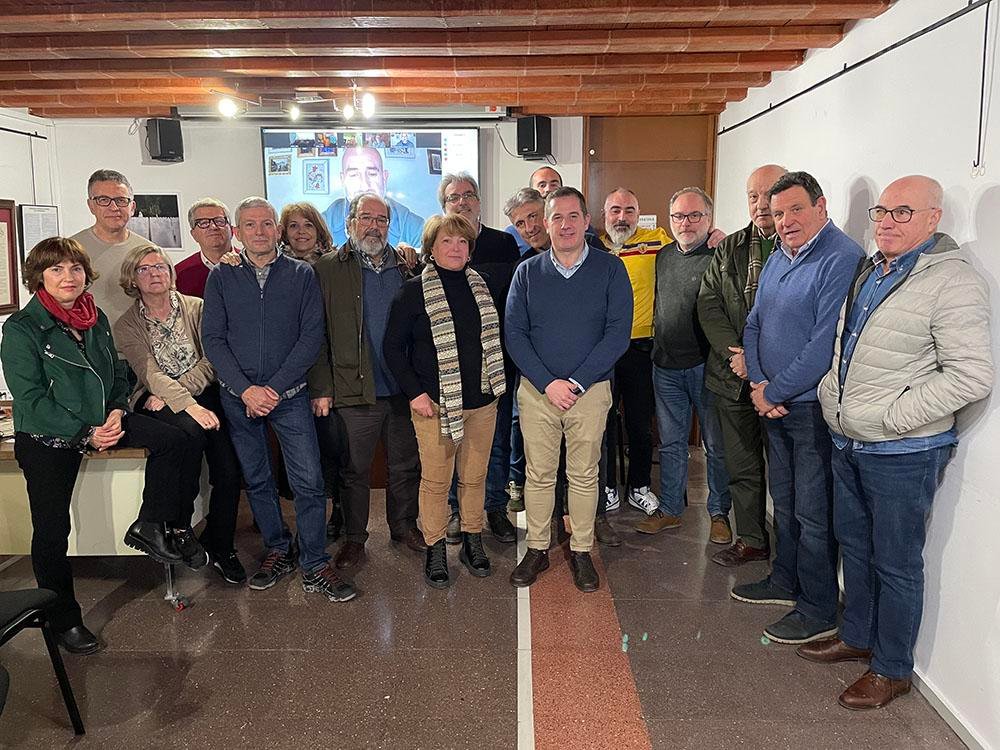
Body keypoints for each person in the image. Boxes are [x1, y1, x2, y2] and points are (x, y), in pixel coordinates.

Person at [803, 176, 993, 709]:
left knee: (896, 562)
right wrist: (832, 397)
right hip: (850, 439)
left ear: (935, 218)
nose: (886, 220)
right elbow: (848, 347)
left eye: (902, 212)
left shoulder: (953, 282)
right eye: (882, 210)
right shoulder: (874, 268)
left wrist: (890, 417)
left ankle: (892, 669)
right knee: (857, 547)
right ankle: (857, 635)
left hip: (902, 452)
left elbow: (971, 376)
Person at [1, 237, 207, 654]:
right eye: (56, 269)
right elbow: (31, 398)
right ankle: (63, 620)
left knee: (177, 438)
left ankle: (150, 524)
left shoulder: (92, 319)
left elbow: (116, 374)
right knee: (53, 531)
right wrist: (86, 433)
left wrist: (115, 410)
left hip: (104, 421)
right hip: (49, 437)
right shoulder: (21, 328)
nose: (68, 277)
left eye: (75, 268)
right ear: (38, 277)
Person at [202, 196, 356, 603]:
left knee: (308, 480)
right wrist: (246, 389)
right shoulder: (221, 277)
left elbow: (311, 337)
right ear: (238, 232)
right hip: (239, 398)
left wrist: (272, 389)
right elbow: (213, 340)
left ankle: (314, 562)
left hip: (288, 396)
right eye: (249, 225)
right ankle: (277, 548)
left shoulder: (301, 275)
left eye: (266, 224)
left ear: (277, 229)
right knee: (256, 478)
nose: (259, 231)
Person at [734, 171, 863, 644]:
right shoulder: (778, 256)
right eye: (779, 212)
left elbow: (823, 343)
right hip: (775, 402)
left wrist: (773, 391)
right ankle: (784, 580)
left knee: (813, 512)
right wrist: (762, 384)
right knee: (783, 502)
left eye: (795, 210)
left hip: (806, 410)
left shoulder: (840, 256)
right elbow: (754, 324)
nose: (785, 220)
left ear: (821, 207)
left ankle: (817, 607)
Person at [506, 187, 632, 593]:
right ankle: (538, 548)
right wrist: (548, 383)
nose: (565, 224)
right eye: (556, 217)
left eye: (573, 216)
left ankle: (581, 550)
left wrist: (576, 382)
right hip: (538, 391)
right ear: (545, 223)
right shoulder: (526, 272)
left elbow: (617, 334)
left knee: (583, 475)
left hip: (590, 391)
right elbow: (515, 334)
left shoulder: (610, 269)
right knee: (539, 475)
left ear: (585, 221)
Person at [384, 213, 506, 588]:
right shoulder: (413, 291)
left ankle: (472, 539)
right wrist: (415, 394)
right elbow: (392, 349)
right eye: (446, 242)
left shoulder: (482, 285)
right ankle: (436, 546)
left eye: (462, 242)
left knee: (474, 477)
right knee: (437, 482)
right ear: (432, 250)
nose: (455, 248)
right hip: (435, 405)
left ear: (470, 249)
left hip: (482, 403)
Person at [114, 244, 245, 584]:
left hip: (199, 395)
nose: (154, 273)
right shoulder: (126, 324)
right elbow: (150, 374)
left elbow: (213, 358)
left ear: (171, 273)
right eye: (144, 269)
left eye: (160, 266)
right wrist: (185, 405)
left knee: (228, 472)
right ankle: (180, 528)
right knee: (188, 435)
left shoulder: (197, 308)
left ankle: (221, 546)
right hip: (160, 400)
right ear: (132, 278)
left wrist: (181, 395)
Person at [309, 192, 424, 571]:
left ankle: (404, 527)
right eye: (366, 217)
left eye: (381, 219)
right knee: (354, 470)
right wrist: (322, 387)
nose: (373, 225)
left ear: (390, 225)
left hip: (402, 389)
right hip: (353, 387)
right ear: (350, 222)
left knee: (405, 466)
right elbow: (316, 333)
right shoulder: (326, 269)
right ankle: (356, 538)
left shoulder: (408, 267)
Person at [697, 165, 787, 565]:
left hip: (785, 385)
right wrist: (737, 354)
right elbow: (708, 303)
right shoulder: (730, 248)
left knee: (788, 476)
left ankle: (790, 553)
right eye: (752, 195)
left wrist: (761, 364)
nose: (760, 203)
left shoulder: (799, 249)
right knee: (742, 465)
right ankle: (752, 538)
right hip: (732, 376)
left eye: (768, 194)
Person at [635, 187, 732, 541]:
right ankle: (671, 509)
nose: (686, 223)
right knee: (672, 445)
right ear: (669, 219)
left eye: (695, 216)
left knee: (715, 445)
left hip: (708, 368)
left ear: (709, 218)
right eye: (678, 216)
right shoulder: (662, 256)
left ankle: (719, 514)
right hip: (666, 367)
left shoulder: (722, 254)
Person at [439, 173, 520, 545]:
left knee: (497, 441)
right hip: (451, 368)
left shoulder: (503, 244)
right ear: (444, 205)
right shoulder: (437, 243)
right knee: (455, 444)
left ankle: (494, 508)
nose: (462, 202)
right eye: (454, 196)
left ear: (479, 201)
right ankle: (456, 511)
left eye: (469, 195)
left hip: (495, 365)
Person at [69, 169, 150, 324]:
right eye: (103, 200)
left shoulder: (149, 252)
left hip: (138, 345)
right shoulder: (70, 251)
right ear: (91, 205)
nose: (114, 208)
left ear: (132, 207)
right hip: (86, 344)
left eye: (121, 200)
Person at [322, 146, 425, 249]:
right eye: (353, 175)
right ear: (342, 180)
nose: (364, 185)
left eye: (372, 174)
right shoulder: (321, 224)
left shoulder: (415, 227)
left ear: (384, 177)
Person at [175, 198, 236, 298]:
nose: (213, 227)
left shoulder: (250, 264)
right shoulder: (179, 274)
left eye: (219, 221)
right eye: (203, 223)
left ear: (232, 230)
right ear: (193, 234)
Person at [504, 166, 563, 253]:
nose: (529, 228)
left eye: (532, 217)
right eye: (520, 224)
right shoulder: (525, 265)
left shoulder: (577, 234)